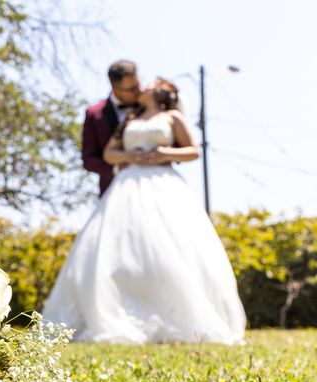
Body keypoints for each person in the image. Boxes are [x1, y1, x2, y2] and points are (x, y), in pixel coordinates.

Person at [42, 77, 246, 344]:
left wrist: (164, 153)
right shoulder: (128, 120)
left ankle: (177, 316)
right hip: (125, 187)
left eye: (149, 82)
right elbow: (109, 154)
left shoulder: (172, 117)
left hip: (164, 184)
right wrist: (130, 156)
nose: (142, 86)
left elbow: (193, 151)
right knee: (118, 251)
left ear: (160, 90)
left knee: (169, 250)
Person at [82, 60, 141, 196]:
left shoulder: (151, 106)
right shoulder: (94, 114)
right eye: (131, 89)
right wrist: (117, 169)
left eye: (137, 84)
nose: (138, 90)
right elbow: (89, 159)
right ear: (115, 88)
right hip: (114, 191)